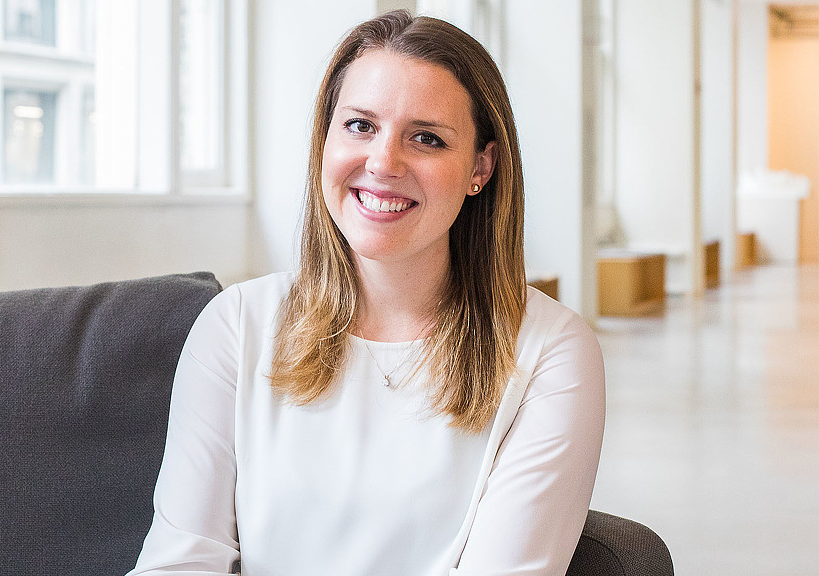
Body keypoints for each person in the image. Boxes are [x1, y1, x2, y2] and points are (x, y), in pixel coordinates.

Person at [130, 10, 605, 576]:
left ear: (482, 166)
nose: (383, 162)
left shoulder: (551, 351)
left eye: (426, 138)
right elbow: (181, 562)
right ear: (324, 140)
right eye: (360, 126)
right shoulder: (237, 325)